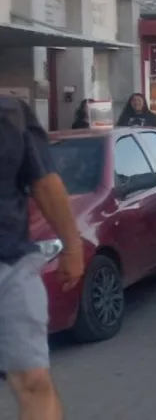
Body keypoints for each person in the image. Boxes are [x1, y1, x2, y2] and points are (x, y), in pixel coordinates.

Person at [0, 97, 85, 419]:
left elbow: (45, 183)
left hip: (10, 263)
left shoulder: (12, 114)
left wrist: (72, 247)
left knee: (33, 380)